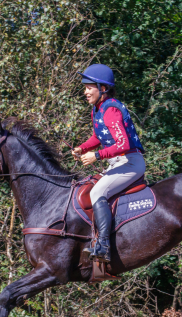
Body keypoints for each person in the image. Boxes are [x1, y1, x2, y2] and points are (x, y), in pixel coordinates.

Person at [72, 64, 146, 263]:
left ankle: (104, 247)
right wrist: (82, 148)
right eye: (85, 87)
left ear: (102, 88)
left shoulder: (111, 109)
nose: (85, 92)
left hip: (130, 162)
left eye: (89, 87)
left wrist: (96, 156)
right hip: (119, 163)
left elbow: (123, 143)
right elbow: (98, 137)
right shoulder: (98, 109)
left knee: (97, 192)